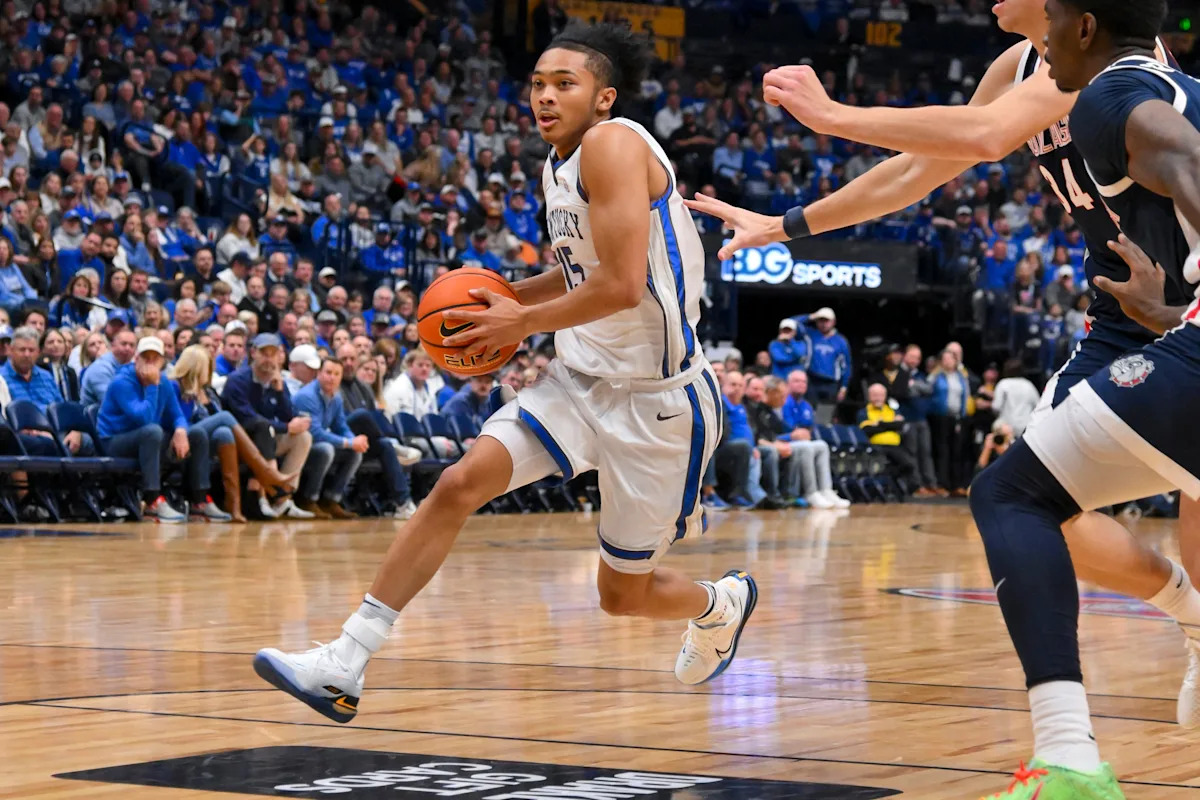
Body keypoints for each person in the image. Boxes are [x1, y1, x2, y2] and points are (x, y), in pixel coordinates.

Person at [684, 0, 1200, 760]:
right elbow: (922, 168)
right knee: (1037, 505)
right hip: (1125, 311)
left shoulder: (1106, 66)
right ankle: (1190, 615)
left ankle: (1085, 733)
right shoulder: (1021, 63)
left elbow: (986, 135)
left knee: (1080, 496)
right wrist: (789, 224)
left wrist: (834, 115)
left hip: (1184, 300)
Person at [255, 23, 756, 722]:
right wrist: (502, 297)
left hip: (660, 402)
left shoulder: (613, 144)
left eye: (565, 84)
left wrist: (519, 323)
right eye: (537, 84)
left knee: (622, 597)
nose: (545, 96)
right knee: (458, 484)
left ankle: (719, 604)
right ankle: (346, 660)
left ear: (604, 97)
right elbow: (578, 272)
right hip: (580, 381)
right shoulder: (558, 163)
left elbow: (620, 286)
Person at [96, 336, 229, 523]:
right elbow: (144, 419)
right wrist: (152, 386)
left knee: (196, 434)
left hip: (148, 439)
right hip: (114, 441)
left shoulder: (164, 382)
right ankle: (152, 500)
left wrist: (180, 430)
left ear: (162, 362)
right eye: (146, 357)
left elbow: (177, 415)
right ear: (136, 358)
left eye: (155, 358)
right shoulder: (122, 382)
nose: (150, 362)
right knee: (152, 431)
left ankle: (199, 501)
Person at [172, 344, 293, 523]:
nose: (210, 370)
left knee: (224, 433)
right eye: (207, 366)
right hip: (186, 435)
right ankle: (266, 473)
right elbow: (178, 418)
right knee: (226, 418)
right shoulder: (176, 386)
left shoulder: (209, 391)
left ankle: (234, 506)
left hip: (207, 439)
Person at [222, 333, 314, 520]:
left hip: (268, 438)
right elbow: (248, 419)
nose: (269, 359)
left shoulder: (277, 381)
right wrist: (286, 427)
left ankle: (283, 500)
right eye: (264, 353)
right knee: (262, 428)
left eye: (273, 354)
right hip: (241, 442)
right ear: (253, 353)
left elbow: (288, 416)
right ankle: (264, 495)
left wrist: (280, 392)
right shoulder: (237, 381)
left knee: (303, 437)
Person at [292, 357, 365, 520]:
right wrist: (349, 442)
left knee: (355, 453)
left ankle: (331, 500)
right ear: (319, 373)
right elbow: (315, 433)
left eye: (337, 374)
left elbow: (341, 426)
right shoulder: (307, 396)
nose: (332, 377)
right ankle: (308, 499)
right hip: (299, 445)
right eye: (328, 372)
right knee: (326, 449)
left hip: (317, 443)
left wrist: (355, 441)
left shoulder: (336, 397)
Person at [778, 370, 847, 509]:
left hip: (802, 442)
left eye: (804, 382)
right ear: (788, 384)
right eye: (797, 381)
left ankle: (826, 489)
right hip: (783, 442)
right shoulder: (783, 403)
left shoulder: (807, 406)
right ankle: (811, 492)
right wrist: (792, 435)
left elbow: (809, 429)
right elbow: (782, 430)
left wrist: (802, 434)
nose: (801, 384)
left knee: (822, 445)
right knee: (807, 446)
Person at [857, 383, 919, 491]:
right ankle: (884, 484)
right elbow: (867, 430)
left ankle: (894, 481)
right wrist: (890, 425)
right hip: (875, 446)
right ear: (869, 396)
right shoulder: (863, 412)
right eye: (875, 395)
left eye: (880, 395)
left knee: (909, 464)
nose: (878, 398)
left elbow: (900, 425)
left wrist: (879, 424)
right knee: (881, 466)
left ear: (885, 396)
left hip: (895, 446)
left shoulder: (891, 410)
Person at [80, 329, 137, 406]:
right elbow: (112, 403)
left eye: (132, 345)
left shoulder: (132, 366)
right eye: (124, 344)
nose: (128, 348)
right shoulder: (100, 369)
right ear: (113, 345)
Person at [992, 358, 1041, 436]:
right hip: (1025, 427)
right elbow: (1038, 406)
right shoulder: (1028, 385)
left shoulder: (1003, 384)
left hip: (1006, 427)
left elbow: (996, 407)